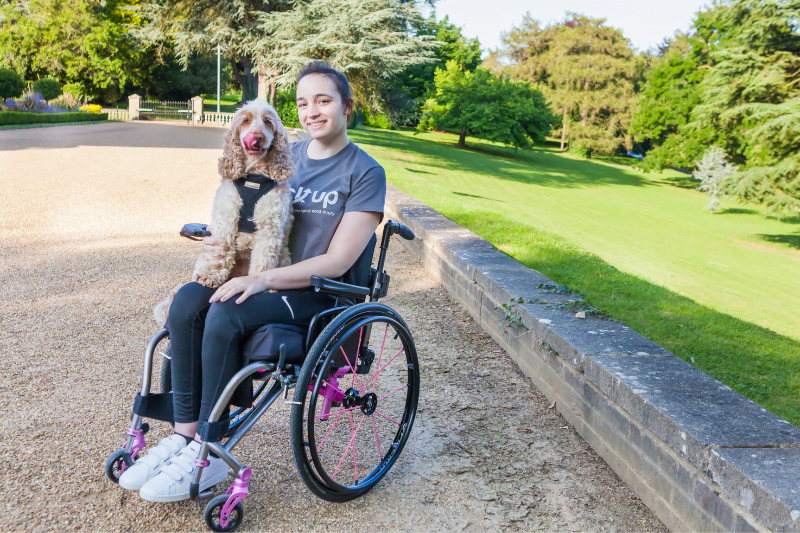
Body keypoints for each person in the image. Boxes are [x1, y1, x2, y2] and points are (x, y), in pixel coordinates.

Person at [118, 62, 386, 502]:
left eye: (323, 100)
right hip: (257, 275)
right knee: (188, 302)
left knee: (226, 311)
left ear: (347, 106)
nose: (312, 111)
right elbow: (239, 207)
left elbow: (338, 261)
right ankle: (184, 436)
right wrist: (215, 243)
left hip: (316, 295)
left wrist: (263, 280)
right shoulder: (283, 153)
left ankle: (209, 452)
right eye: (302, 103)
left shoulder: (364, 172)